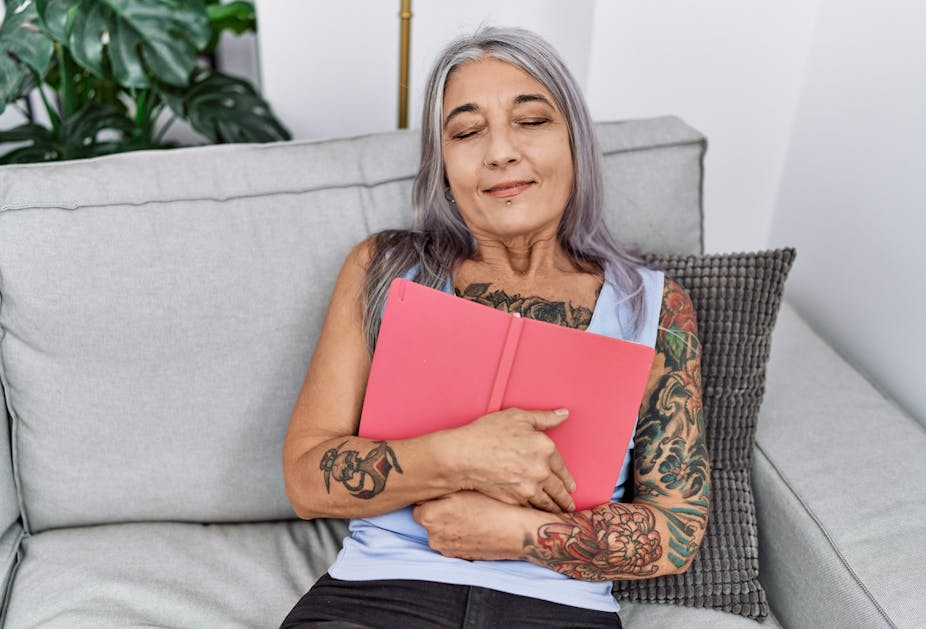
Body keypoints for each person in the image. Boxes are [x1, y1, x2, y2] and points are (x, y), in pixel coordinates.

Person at [280, 26, 709, 628]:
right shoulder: (383, 268)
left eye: (531, 121)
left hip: (560, 607)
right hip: (377, 594)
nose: (500, 151)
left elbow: (677, 531)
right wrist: (458, 457)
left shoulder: (655, 308)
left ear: (575, 144)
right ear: (444, 167)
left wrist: (523, 533)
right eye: (467, 130)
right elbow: (306, 478)